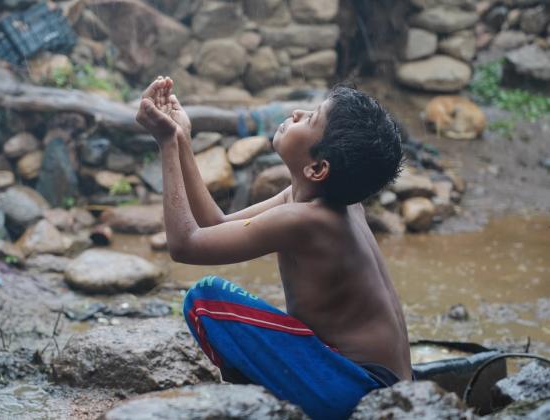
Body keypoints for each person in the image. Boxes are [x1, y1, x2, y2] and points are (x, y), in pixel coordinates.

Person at [135, 77, 410, 419]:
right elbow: (216, 225)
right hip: (390, 391)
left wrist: (166, 145)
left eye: (310, 119)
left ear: (318, 168)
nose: (296, 112)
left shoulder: (306, 220)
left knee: (205, 301)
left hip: (359, 392)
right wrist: (181, 138)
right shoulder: (324, 203)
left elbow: (185, 245)